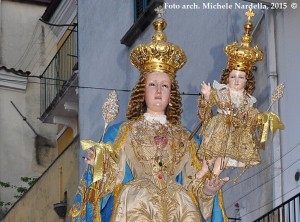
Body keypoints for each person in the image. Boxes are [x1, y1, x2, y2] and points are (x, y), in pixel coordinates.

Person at [66, 8, 228, 222]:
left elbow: (194, 183)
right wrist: (99, 167)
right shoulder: (123, 132)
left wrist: (207, 190)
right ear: (143, 91)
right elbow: (108, 179)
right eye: (152, 84)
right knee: (134, 201)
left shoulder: (186, 138)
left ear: (172, 93)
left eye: (165, 86)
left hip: (179, 208)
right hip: (136, 205)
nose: (159, 91)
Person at [196, 9, 264, 180]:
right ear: (227, 78)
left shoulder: (247, 99)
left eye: (240, 77)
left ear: (247, 81)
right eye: (233, 76)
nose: (236, 80)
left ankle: (215, 175)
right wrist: (207, 95)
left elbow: (251, 113)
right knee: (211, 149)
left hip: (234, 131)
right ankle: (205, 168)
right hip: (219, 125)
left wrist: (259, 118)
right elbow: (213, 100)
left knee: (225, 155)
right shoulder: (223, 91)